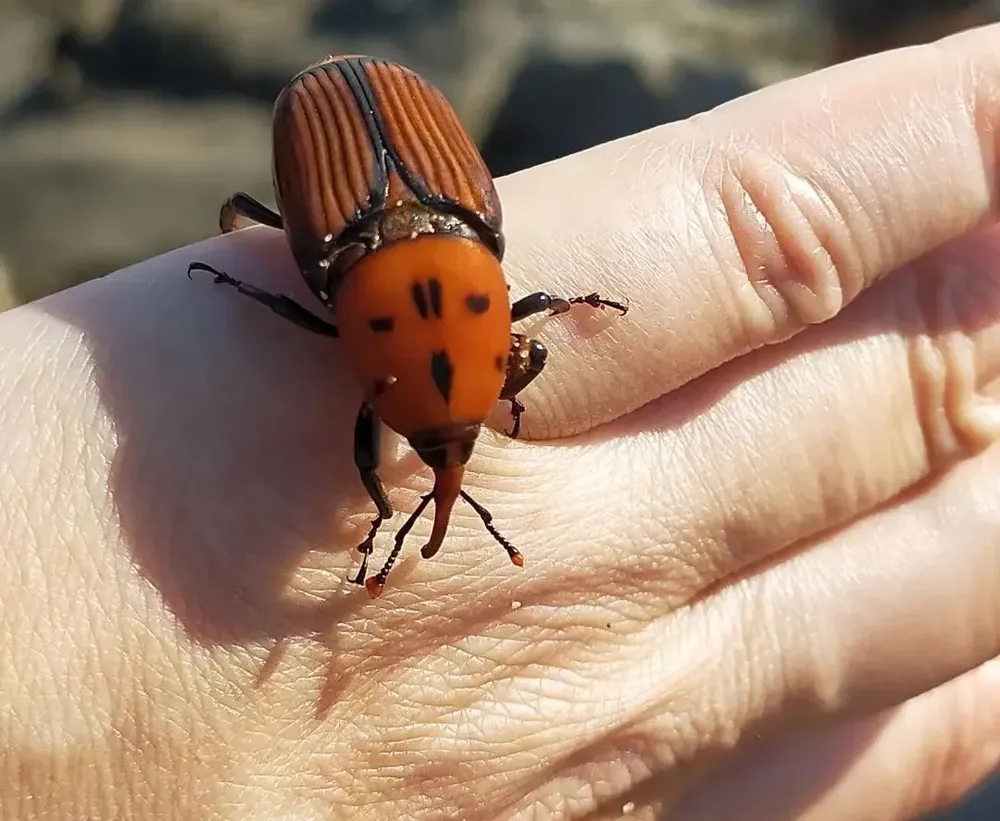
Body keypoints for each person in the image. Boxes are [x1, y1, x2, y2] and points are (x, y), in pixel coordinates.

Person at [4, 22, 1000, 821]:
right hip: (360, 154)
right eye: (449, 439)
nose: (445, 465)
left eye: (449, 432)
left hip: (390, 182)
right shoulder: (365, 289)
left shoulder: (400, 286)